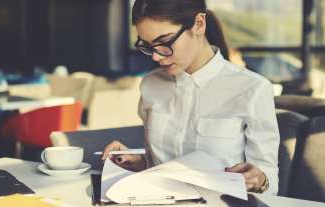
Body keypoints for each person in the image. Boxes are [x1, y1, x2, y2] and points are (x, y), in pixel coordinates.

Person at [102, 0, 279, 195]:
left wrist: (260, 180)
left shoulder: (252, 89)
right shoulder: (150, 85)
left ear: (198, 24)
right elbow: (160, 168)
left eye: (165, 42)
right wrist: (136, 161)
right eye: (148, 46)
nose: (156, 56)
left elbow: (268, 181)